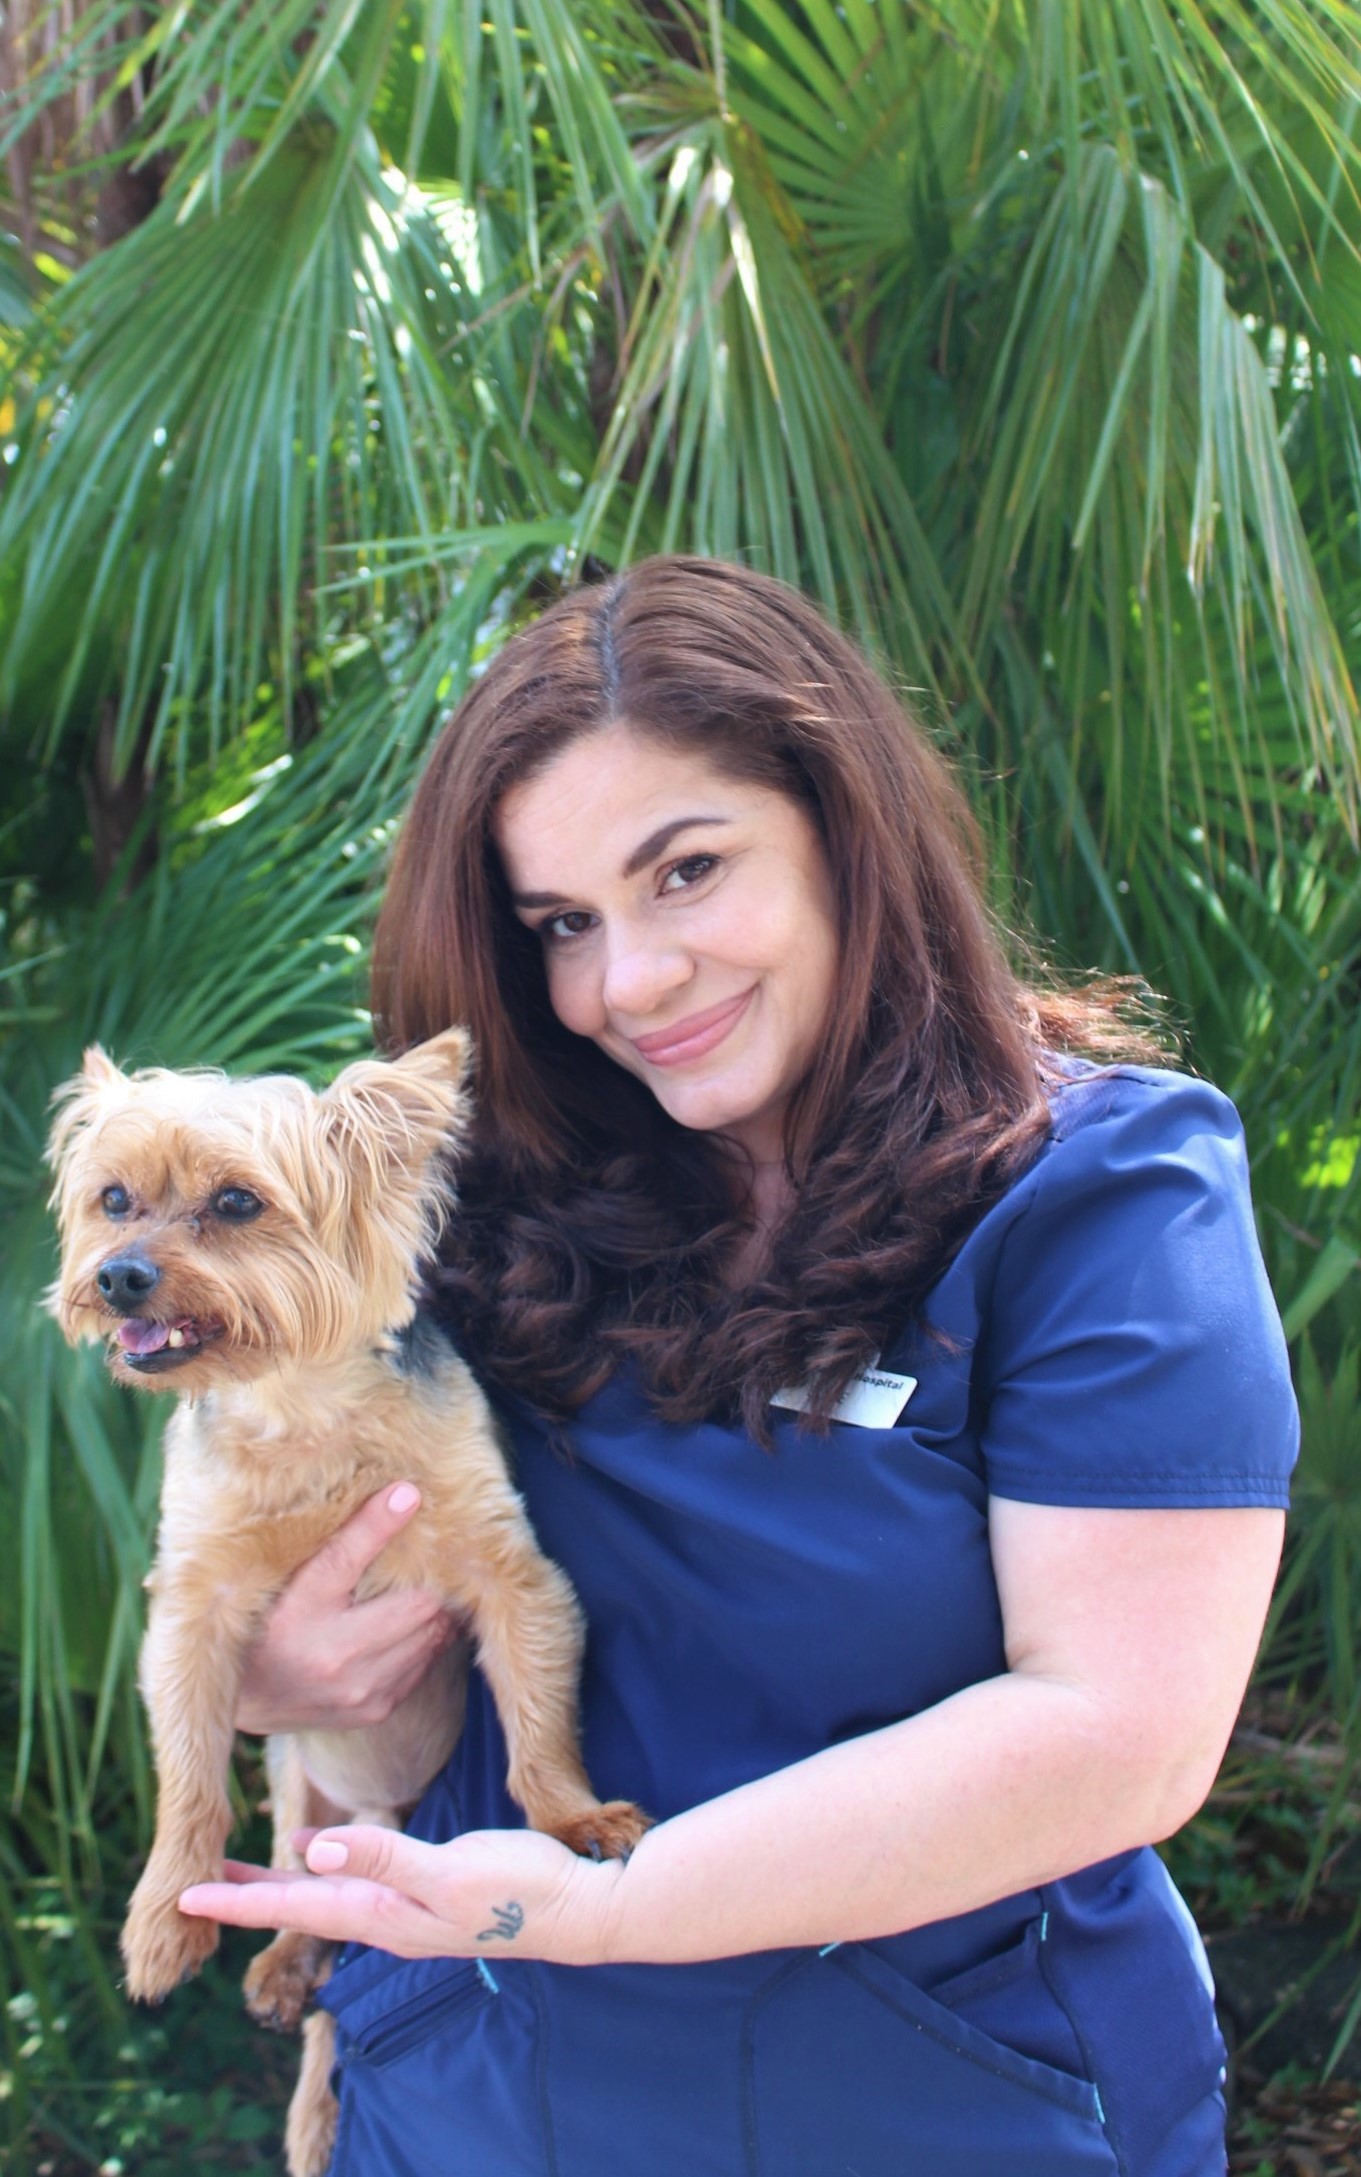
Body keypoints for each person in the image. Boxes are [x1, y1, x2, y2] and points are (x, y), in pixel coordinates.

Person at [181, 556, 1298, 2177]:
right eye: (564, 922)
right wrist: (274, 1671)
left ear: (845, 826)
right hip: (470, 2108)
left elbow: (1118, 1731)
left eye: (687, 872)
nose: (626, 982)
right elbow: (288, 1511)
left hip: (945, 2110)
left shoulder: (1096, 1199)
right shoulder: (480, 1195)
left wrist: (617, 1905)